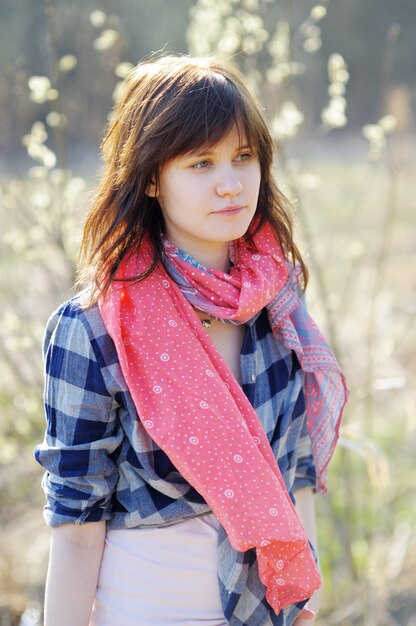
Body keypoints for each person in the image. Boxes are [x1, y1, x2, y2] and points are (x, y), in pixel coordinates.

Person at [35, 54, 347, 626]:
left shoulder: (277, 298)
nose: (230, 184)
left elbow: (295, 469)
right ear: (151, 176)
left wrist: (307, 602)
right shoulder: (95, 329)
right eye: (201, 163)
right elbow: (76, 527)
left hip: (266, 612)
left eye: (244, 157)